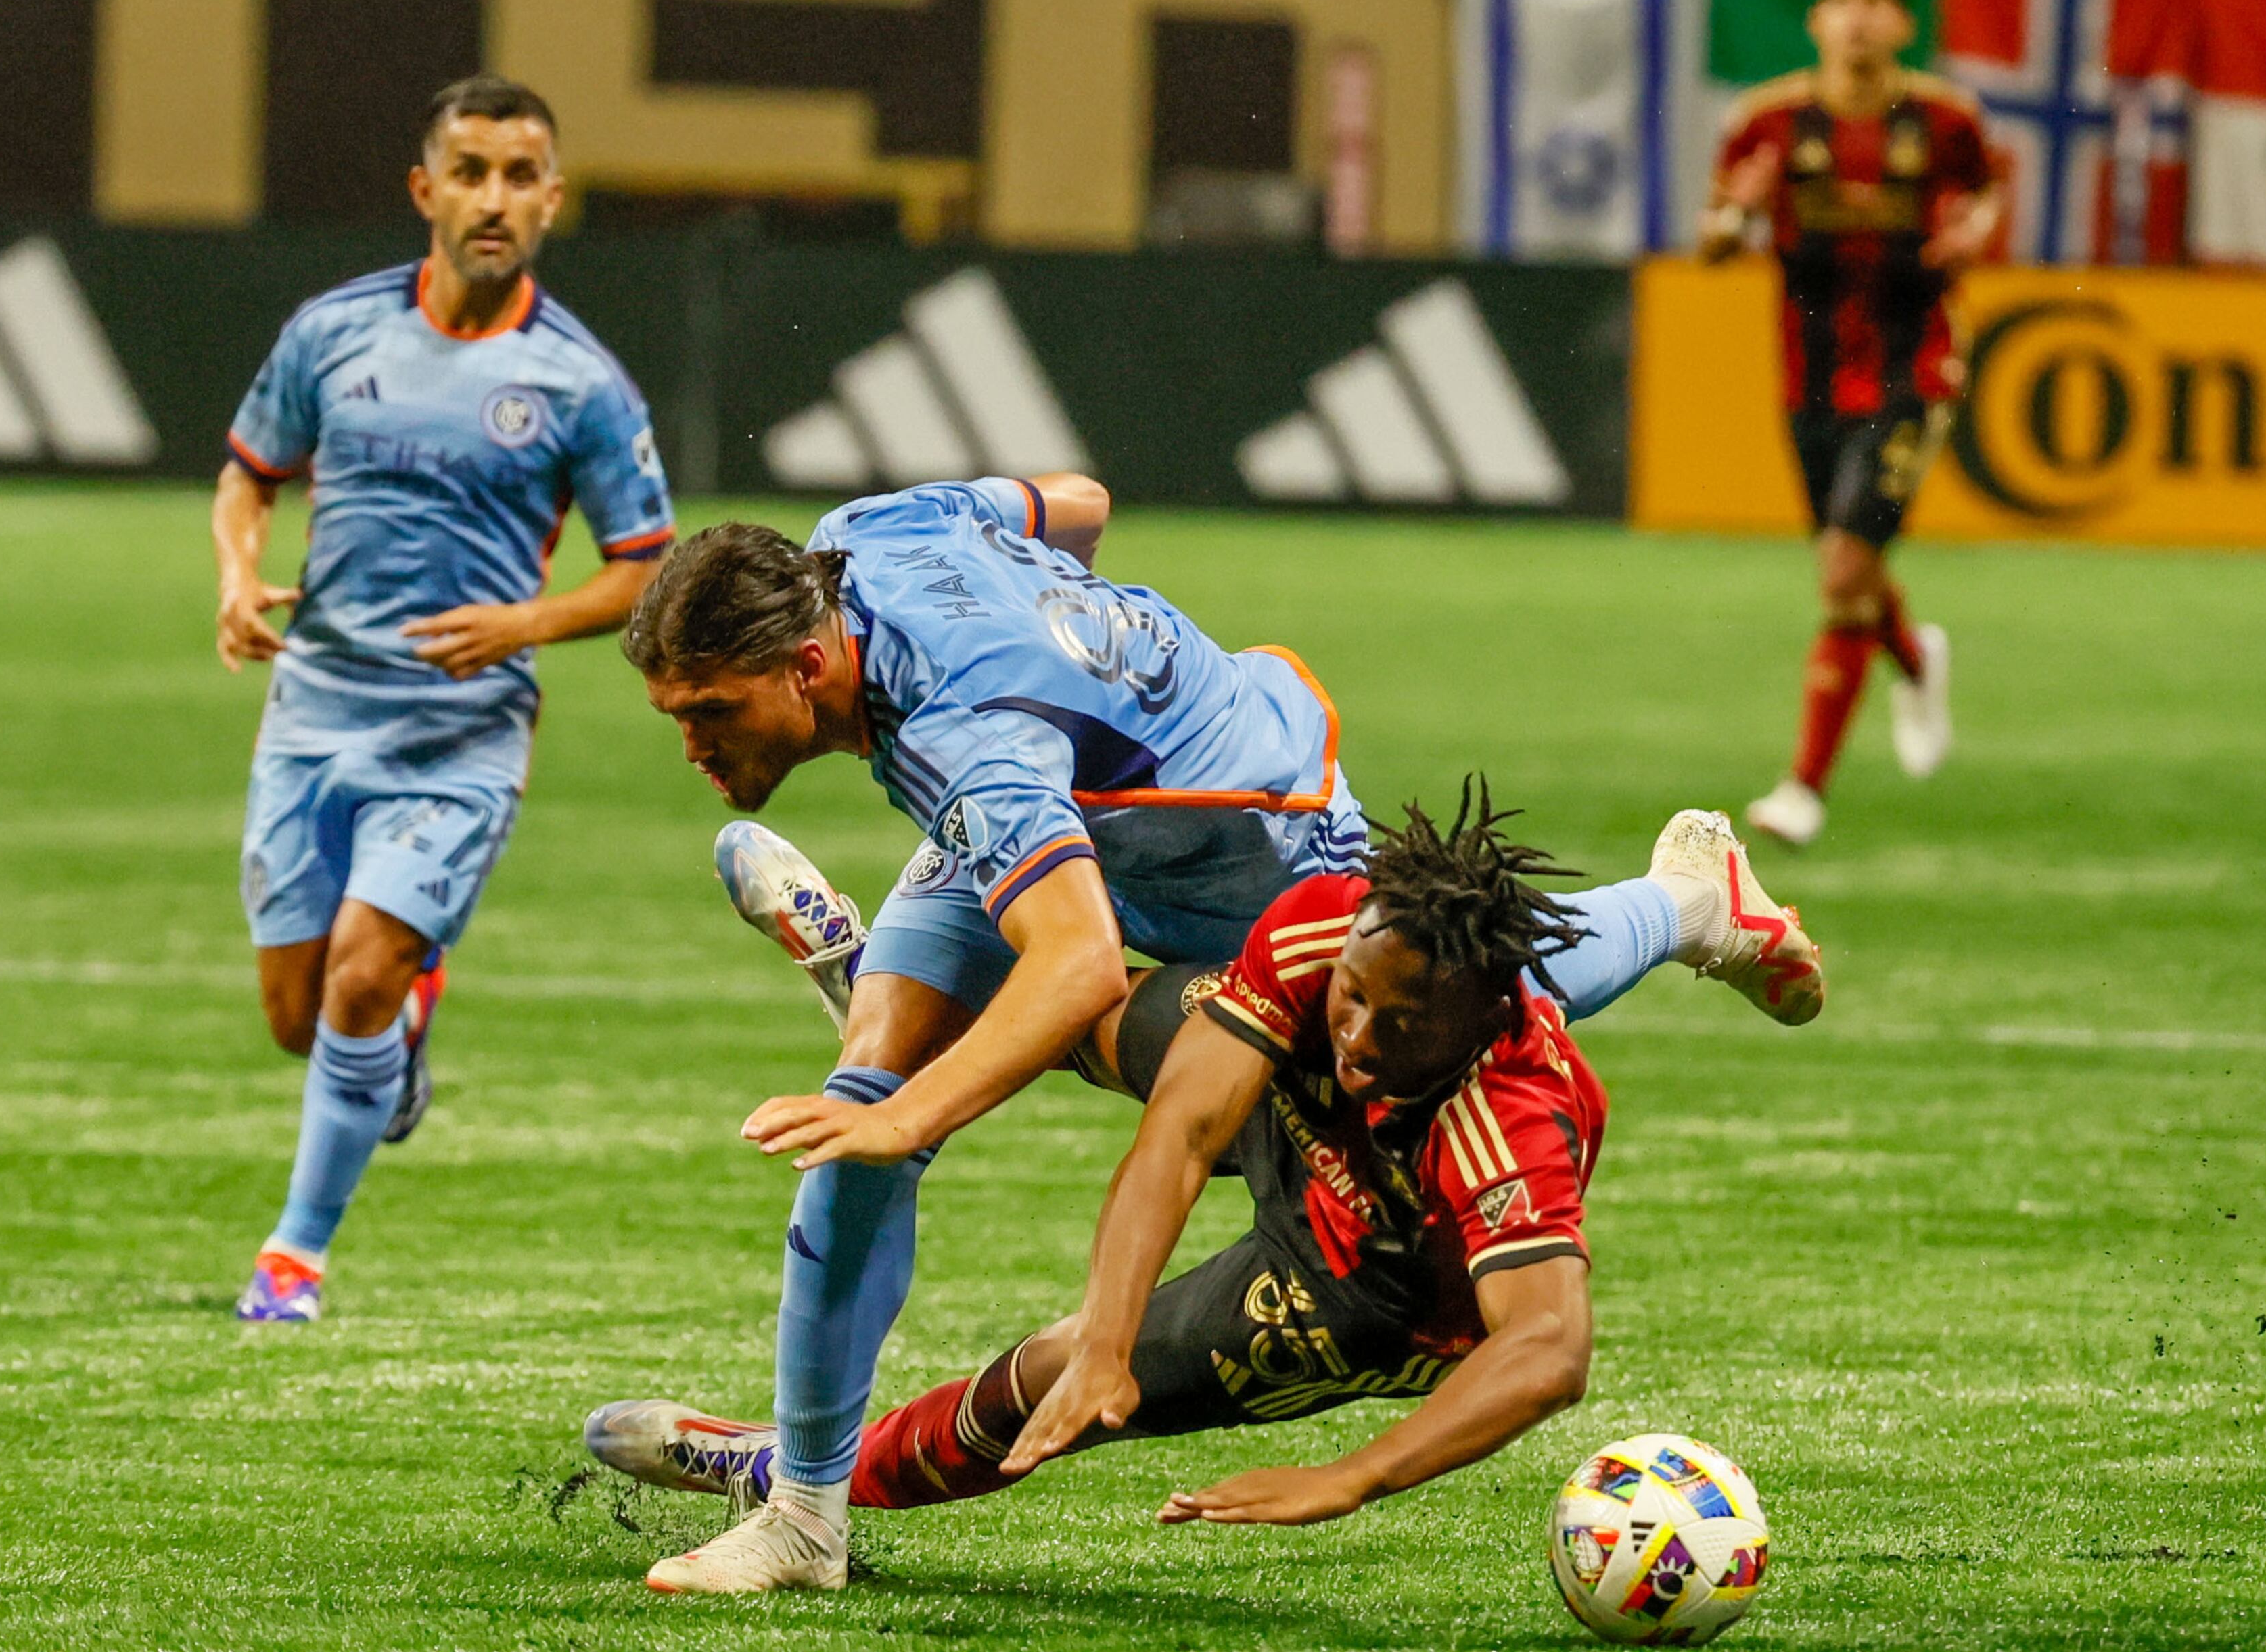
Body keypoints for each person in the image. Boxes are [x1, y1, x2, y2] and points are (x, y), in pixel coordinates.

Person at [615, 479, 1824, 1590]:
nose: (691, 746)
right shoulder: (868, 531)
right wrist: (1077, 655)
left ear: (812, 664)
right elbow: (1073, 505)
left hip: (1248, 847)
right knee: (868, 1114)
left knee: (1437, 994)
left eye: (711, 711)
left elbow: (1081, 961)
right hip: (1073, 803)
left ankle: (1683, 904)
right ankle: (808, 1512)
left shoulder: (972, 739)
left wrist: (911, 1110)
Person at [585, 797, 1809, 1574]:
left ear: (1488, 1018)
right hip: (1297, 1124)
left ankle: (784, 1472)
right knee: (1099, 1019)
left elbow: (1547, 1350)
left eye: (1401, 1022)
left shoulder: (1507, 1118)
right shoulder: (1331, 931)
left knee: (1035, 1390)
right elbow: (1178, 1135)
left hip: (1359, 1283)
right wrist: (1115, 1333)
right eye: (1356, 996)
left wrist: (1350, 1474)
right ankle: (886, 1005)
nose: (1363, 1032)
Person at [214, 74, 674, 1321]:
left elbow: (647, 568)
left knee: (360, 979)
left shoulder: (580, 383)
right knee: (296, 1019)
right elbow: (250, 474)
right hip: (313, 709)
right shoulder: (334, 333)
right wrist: (239, 577)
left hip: (462, 733)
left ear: (553, 200)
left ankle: (292, 1259)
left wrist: (525, 625)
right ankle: (395, 1045)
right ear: (426, 189)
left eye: (521, 176)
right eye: (470, 172)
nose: (494, 198)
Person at [1698, 0, 2004, 847]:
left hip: (1916, 369)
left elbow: (1985, 197)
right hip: (1813, 380)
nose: (1862, 22)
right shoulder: (1765, 122)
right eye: (1846, 5)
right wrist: (1742, 213)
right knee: (1851, 568)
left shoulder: (1946, 119)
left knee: (1841, 572)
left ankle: (1803, 788)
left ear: (1904, 28)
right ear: (1816, 22)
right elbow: (1712, 239)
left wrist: (1973, 235)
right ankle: (1914, 655)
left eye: (1880, 6)